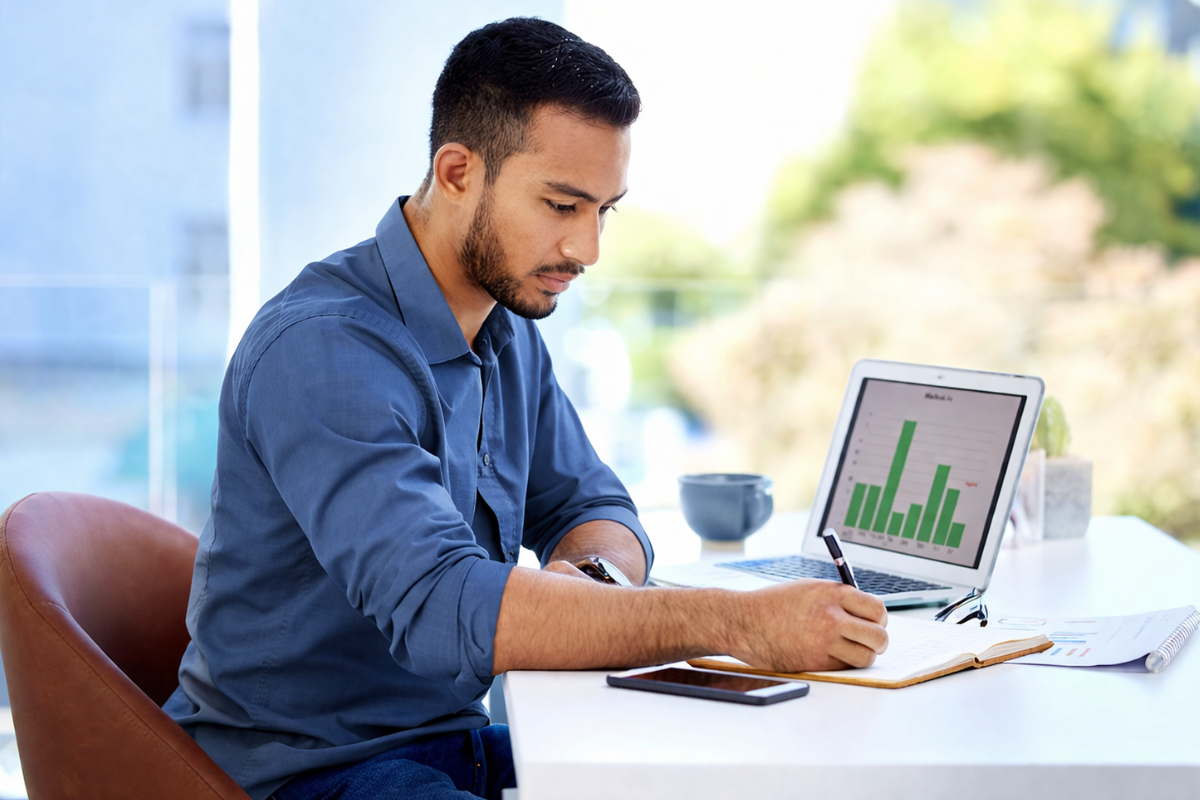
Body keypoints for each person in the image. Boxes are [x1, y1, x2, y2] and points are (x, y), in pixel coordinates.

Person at [165, 16, 889, 800]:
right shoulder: (323, 350)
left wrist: (594, 581)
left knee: (724, 778)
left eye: (604, 211)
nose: (588, 249)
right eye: (561, 205)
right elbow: (442, 609)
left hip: (454, 743)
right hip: (305, 772)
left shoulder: (504, 330)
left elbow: (593, 505)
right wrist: (737, 623)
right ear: (456, 172)